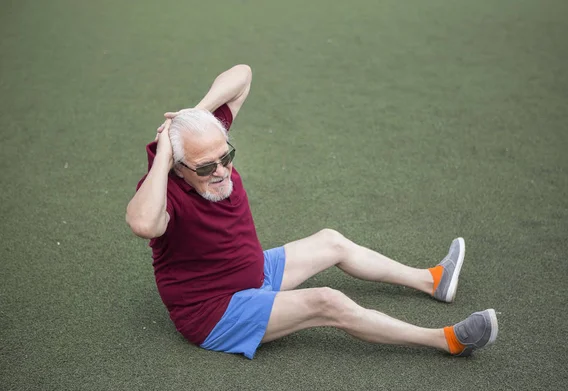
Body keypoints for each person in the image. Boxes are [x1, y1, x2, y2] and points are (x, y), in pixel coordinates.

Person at [126, 64, 498, 359]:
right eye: (207, 167)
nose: (222, 171)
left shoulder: (205, 140)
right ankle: (446, 340)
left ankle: (432, 280)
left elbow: (242, 74)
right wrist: (164, 155)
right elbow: (143, 223)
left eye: (226, 157)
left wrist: (196, 115)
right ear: (178, 166)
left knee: (331, 241)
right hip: (216, 311)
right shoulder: (162, 191)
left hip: (254, 271)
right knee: (327, 302)